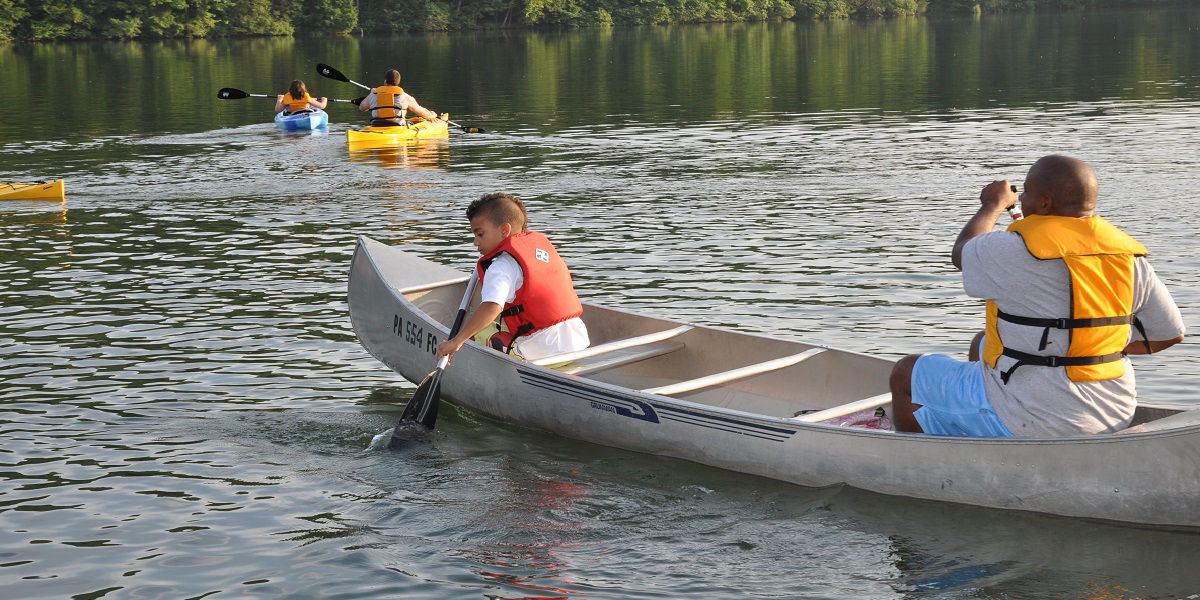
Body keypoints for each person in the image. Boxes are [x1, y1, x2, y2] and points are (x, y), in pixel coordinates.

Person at [889, 155, 1185, 437]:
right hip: (1116, 412)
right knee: (983, 342)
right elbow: (1170, 335)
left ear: (1045, 203)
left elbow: (962, 252)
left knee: (906, 374)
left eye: (1027, 193)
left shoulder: (1012, 250)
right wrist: (1091, 351)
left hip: (1035, 418)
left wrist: (993, 204)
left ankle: (915, 459)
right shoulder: (1130, 259)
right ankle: (980, 421)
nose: (1022, 200)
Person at [437, 193, 590, 363]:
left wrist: (458, 341)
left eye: (480, 234)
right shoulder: (538, 251)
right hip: (577, 343)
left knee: (479, 331)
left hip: (546, 354)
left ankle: (461, 358)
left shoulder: (501, 267)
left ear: (504, 230)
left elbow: (491, 307)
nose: (475, 242)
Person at [358, 69, 438, 127]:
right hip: (397, 126)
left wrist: (373, 100)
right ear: (398, 82)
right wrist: (432, 115)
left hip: (376, 126)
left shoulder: (373, 94)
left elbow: (362, 108)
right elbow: (421, 112)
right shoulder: (405, 96)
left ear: (385, 81)